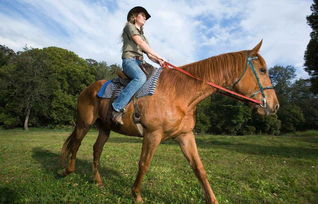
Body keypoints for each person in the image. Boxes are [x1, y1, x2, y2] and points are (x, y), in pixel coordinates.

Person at [112, 6, 165, 125]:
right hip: (129, 61)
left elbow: (149, 53)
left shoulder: (143, 36)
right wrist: (158, 54)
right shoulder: (129, 26)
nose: (145, 18)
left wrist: (159, 61)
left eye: (146, 17)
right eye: (142, 15)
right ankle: (116, 107)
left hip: (141, 62)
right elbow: (140, 43)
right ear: (135, 17)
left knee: (157, 77)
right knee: (140, 78)